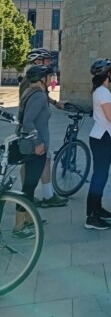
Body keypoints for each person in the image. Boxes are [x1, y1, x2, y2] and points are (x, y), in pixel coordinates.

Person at [19, 48, 68, 208]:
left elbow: (42, 99)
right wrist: (36, 140)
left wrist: (54, 103)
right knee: (29, 168)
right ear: (38, 62)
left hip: (37, 135)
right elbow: (28, 116)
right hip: (34, 137)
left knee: (44, 160)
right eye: (46, 60)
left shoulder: (37, 86)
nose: (49, 63)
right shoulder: (31, 84)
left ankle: (42, 196)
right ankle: (25, 200)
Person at [14, 65, 54, 238]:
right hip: (35, 147)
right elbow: (28, 121)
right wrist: (38, 142)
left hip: (29, 145)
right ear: (42, 79)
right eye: (48, 76)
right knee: (28, 187)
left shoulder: (29, 92)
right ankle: (19, 227)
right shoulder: (38, 96)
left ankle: (29, 219)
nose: (51, 79)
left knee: (30, 184)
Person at [85, 58, 111, 230]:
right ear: (107, 73)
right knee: (99, 177)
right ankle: (91, 217)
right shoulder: (102, 92)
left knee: (101, 176)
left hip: (102, 136)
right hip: (102, 137)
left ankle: (98, 209)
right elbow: (110, 117)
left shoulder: (101, 91)